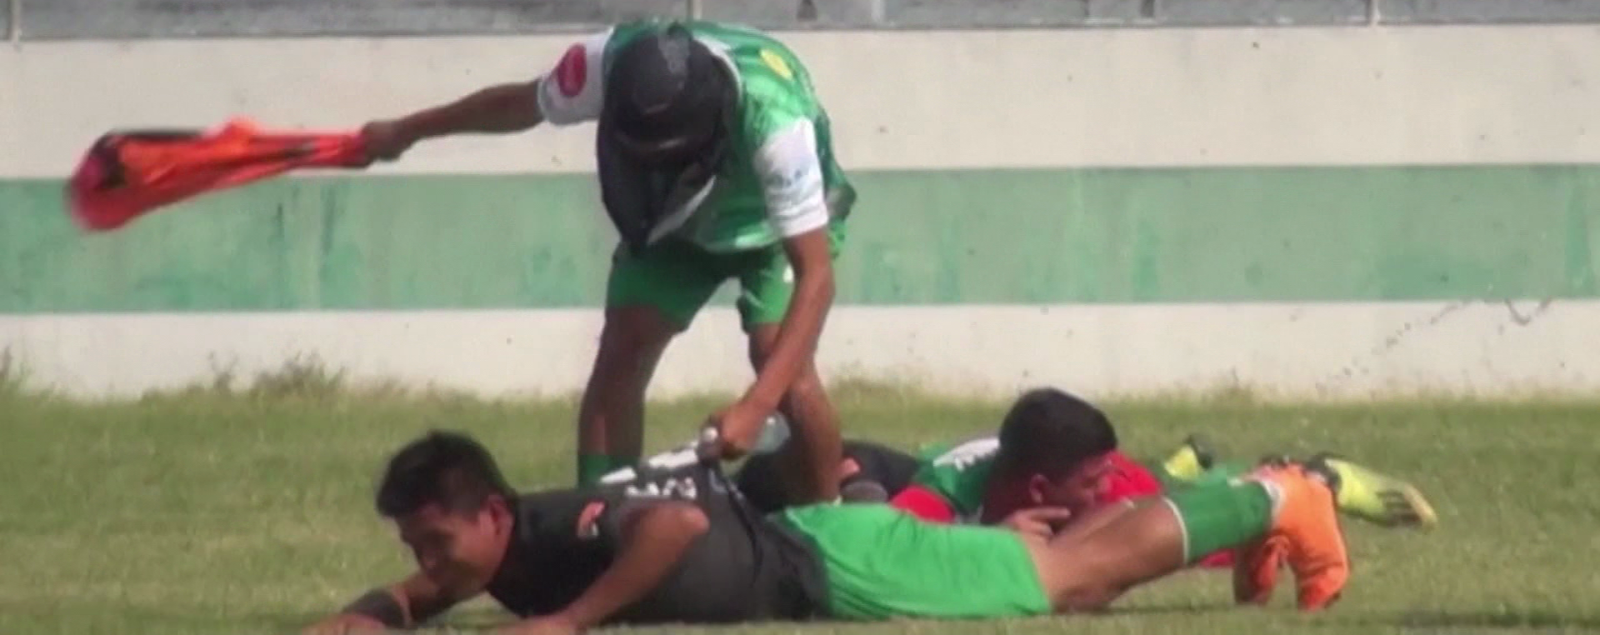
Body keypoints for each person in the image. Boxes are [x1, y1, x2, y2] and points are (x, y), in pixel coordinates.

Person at [359, 19, 855, 503]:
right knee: (624, 342)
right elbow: (519, 104)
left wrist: (756, 405)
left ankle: (830, 531)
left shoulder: (777, 125)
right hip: (675, 222)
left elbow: (816, 277)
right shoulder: (604, 62)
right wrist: (407, 131)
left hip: (771, 229)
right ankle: (601, 518)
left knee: (777, 358)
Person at [305, 428, 1350, 635]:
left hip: (832, 561)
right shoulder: (499, 553)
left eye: (433, 543)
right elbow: (426, 596)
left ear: (491, 513)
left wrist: (571, 621)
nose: (428, 565)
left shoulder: (558, 527)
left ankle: (1274, 492)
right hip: (819, 551)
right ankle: (1228, 498)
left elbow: (669, 525)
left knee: (1069, 580)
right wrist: (370, 613)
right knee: (1059, 569)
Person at [733, 387, 1438, 572]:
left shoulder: (1117, 485)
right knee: (844, 489)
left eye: (1105, 478)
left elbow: (1207, 533)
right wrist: (999, 542)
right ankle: (1183, 459)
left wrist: (1303, 490)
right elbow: (880, 538)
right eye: (1091, 483)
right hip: (916, 466)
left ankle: (1321, 476)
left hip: (1125, 480)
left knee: (1178, 511)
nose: (1106, 491)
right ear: (1039, 492)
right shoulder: (951, 491)